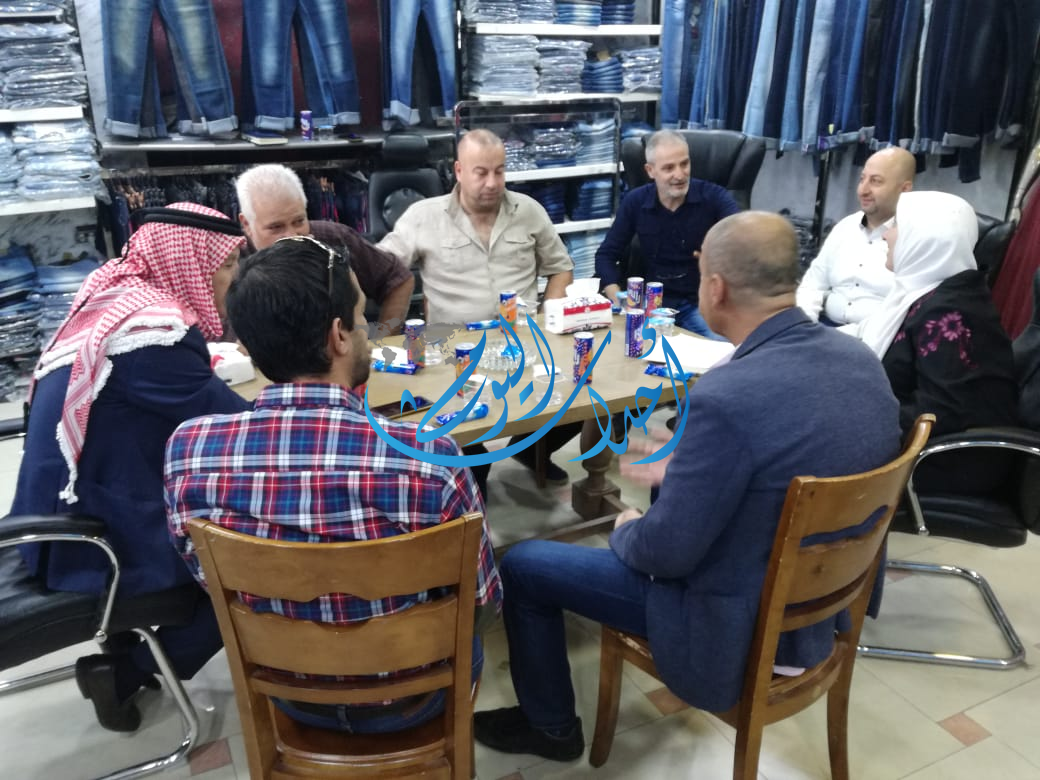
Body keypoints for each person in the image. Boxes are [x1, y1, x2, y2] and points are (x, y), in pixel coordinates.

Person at [472, 211, 901, 762]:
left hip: (739, 623)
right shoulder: (861, 359)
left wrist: (627, 528)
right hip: (821, 608)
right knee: (663, 498)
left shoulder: (726, 396)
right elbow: (792, 460)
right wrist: (691, 472)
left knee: (525, 565)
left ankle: (550, 727)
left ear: (715, 288)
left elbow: (666, 554)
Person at [164, 235, 502, 734]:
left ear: (247, 346)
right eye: (362, 318)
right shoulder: (430, 458)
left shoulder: (189, 452)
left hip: (286, 690)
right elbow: (482, 602)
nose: (367, 332)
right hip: (413, 696)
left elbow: (207, 579)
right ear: (339, 336)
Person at [10, 203, 252, 732]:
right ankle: (125, 672)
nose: (232, 279)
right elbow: (237, 430)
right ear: (190, 261)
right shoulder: (154, 336)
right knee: (249, 570)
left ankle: (125, 643)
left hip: (54, 512)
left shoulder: (115, 297)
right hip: (91, 536)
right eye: (226, 264)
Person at [378, 128, 579, 486]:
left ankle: (531, 447)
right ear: (458, 170)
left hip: (522, 345)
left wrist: (551, 319)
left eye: (499, 171)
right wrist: (387, 332)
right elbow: (382, 270)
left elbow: (561, 267)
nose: (492, 183)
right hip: (453, 353)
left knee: (583, 398)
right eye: (481, 172)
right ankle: (474, 473)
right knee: (466, 457)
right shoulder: (423, 216)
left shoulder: (529, 211)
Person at [845, 190, 1018, 493]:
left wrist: (853, 412)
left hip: (946, 461)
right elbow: (865, 332)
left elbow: (939, 413)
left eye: (897, 226)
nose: (886, 235)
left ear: (925, 238)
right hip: (915, 442)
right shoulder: (924, 292)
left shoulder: (950, 312)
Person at [234, 163, 414, 335]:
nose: (292, 235)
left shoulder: (334, 239)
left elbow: (398, 279)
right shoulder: (230, 262)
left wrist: (383, 341)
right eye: (276, 227)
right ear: (247, 224)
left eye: (299, 221)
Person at [593, 129, 741, 339]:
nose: (679, 175)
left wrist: (716, 258)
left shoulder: (716, 197)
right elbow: (606, 255)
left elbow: (742, 239)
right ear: (650, 170)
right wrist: (617, 298)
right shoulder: (635, 201)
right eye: (669, 168)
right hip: (650, 304)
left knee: (724, 350)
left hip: (698, 303)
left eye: (684, 164)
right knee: (617, 348)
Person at [796, 146, 916, 325]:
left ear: (904, 189)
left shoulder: (915, 238)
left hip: (879, 336)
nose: (863, 190)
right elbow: (813, 285)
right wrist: (803, 327)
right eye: (862, 179)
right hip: (824, 327)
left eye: (876, 181)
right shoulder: (846, 227)